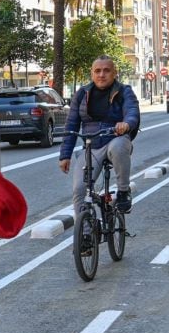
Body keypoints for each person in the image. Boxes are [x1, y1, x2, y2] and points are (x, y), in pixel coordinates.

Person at [58, 55, 140, 229]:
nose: (101, 74)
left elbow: (132, 112)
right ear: (92, 74)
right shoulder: (82, 93)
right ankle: (86, 234)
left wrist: (126, 124)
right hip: (91, 146)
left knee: (119, 147)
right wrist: (65, 155)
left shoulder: (125, 91)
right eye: (97, 71)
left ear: (115, 73)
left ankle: (124, 192)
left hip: (115, 139)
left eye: (106, 70)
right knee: (79, 190)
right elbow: (71, 124)